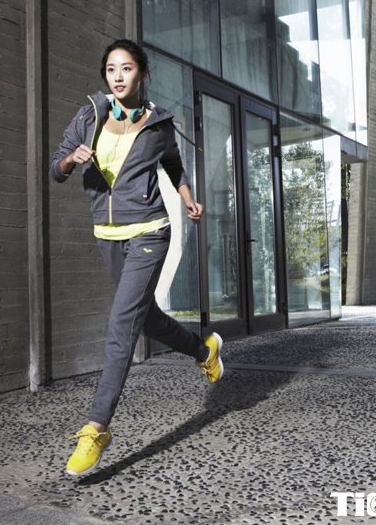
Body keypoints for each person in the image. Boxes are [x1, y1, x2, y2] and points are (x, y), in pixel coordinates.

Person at [50, 39, 223, 477]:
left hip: (150, 231)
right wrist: (72, 158)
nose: (118, 76)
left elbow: (174, 165)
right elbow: (56, 168)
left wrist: (186, 196)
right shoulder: (89, 116)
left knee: (121, 323)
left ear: (141, 73)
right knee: (146, 320)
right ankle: (203, 349)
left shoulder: (158, 123)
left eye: (126, 68)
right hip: (108, 235)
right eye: (111, 69)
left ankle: (96, 428)